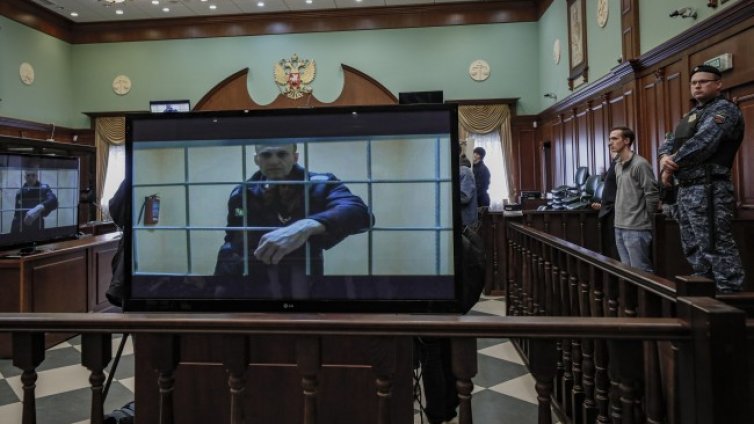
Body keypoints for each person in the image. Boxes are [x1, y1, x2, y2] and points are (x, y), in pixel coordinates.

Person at [214, 143, 373, 298]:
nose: (274, 161)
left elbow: (359, 212)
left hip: (303, 277)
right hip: (254, 282)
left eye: (282, 154)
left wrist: (306, 226)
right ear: (257, 159)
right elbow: (232, 241)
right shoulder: (242, 192)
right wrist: (220, 284)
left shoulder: (320, 183)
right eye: (266, 155)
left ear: (295, 157)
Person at [658, 64, 745, 293]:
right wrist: (664, 157)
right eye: (694, 83)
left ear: (718, 84)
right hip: (686, 190)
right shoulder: (691, 115)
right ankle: (705, 298)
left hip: (709, 189)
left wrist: (669, 166)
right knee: (694, 248)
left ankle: (729, 299)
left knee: (716, 246)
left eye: (703, 82)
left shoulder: (724, 110)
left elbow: (704, 143)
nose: (697, 86)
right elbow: (668, 141)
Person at [610, 127, 659, 273]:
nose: (610, 142)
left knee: (641, 271)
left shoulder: (640, 164)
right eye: (610, 139)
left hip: (637, 227)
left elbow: (652, 194)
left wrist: (647, 218)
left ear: (626, 141)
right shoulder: (618, 165)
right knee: (627, 272)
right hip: (619, 225)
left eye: (615, 139)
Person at [11, 169, 58, 237]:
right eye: (28, 175)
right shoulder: (20, 192)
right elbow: (16, 215)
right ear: (25, 177)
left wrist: (39, 207)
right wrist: (12, 235)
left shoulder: (43, 188)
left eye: (33, 175)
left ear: (37, 176)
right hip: (22, 229)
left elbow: (54, 201)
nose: (30, 178)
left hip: (37, 227)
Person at [591, 153, 618, 259]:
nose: (611, 146)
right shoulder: (614, 164)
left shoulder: (623, 165)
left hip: (617, 214)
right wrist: (603, 205)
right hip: (608, 212)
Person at [459, 156, 478, 228]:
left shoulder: (464, 171)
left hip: (464, 222)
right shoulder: (465, 171)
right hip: (464, 221)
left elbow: (464, 197)